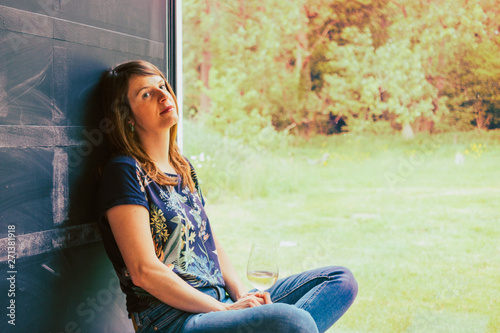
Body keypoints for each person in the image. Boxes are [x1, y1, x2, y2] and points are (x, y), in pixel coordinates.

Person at [95, 60, 357, 333]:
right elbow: (143, 271)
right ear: (126, 116)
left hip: (219, 303)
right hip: (175, 319)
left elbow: (212, 243)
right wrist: (224, 310)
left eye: (162, 86)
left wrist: (243, 298)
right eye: (146, 94)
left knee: (339, 281)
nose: (164, 96)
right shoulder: (124, 171)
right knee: (294, 321)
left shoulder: (182, 166)